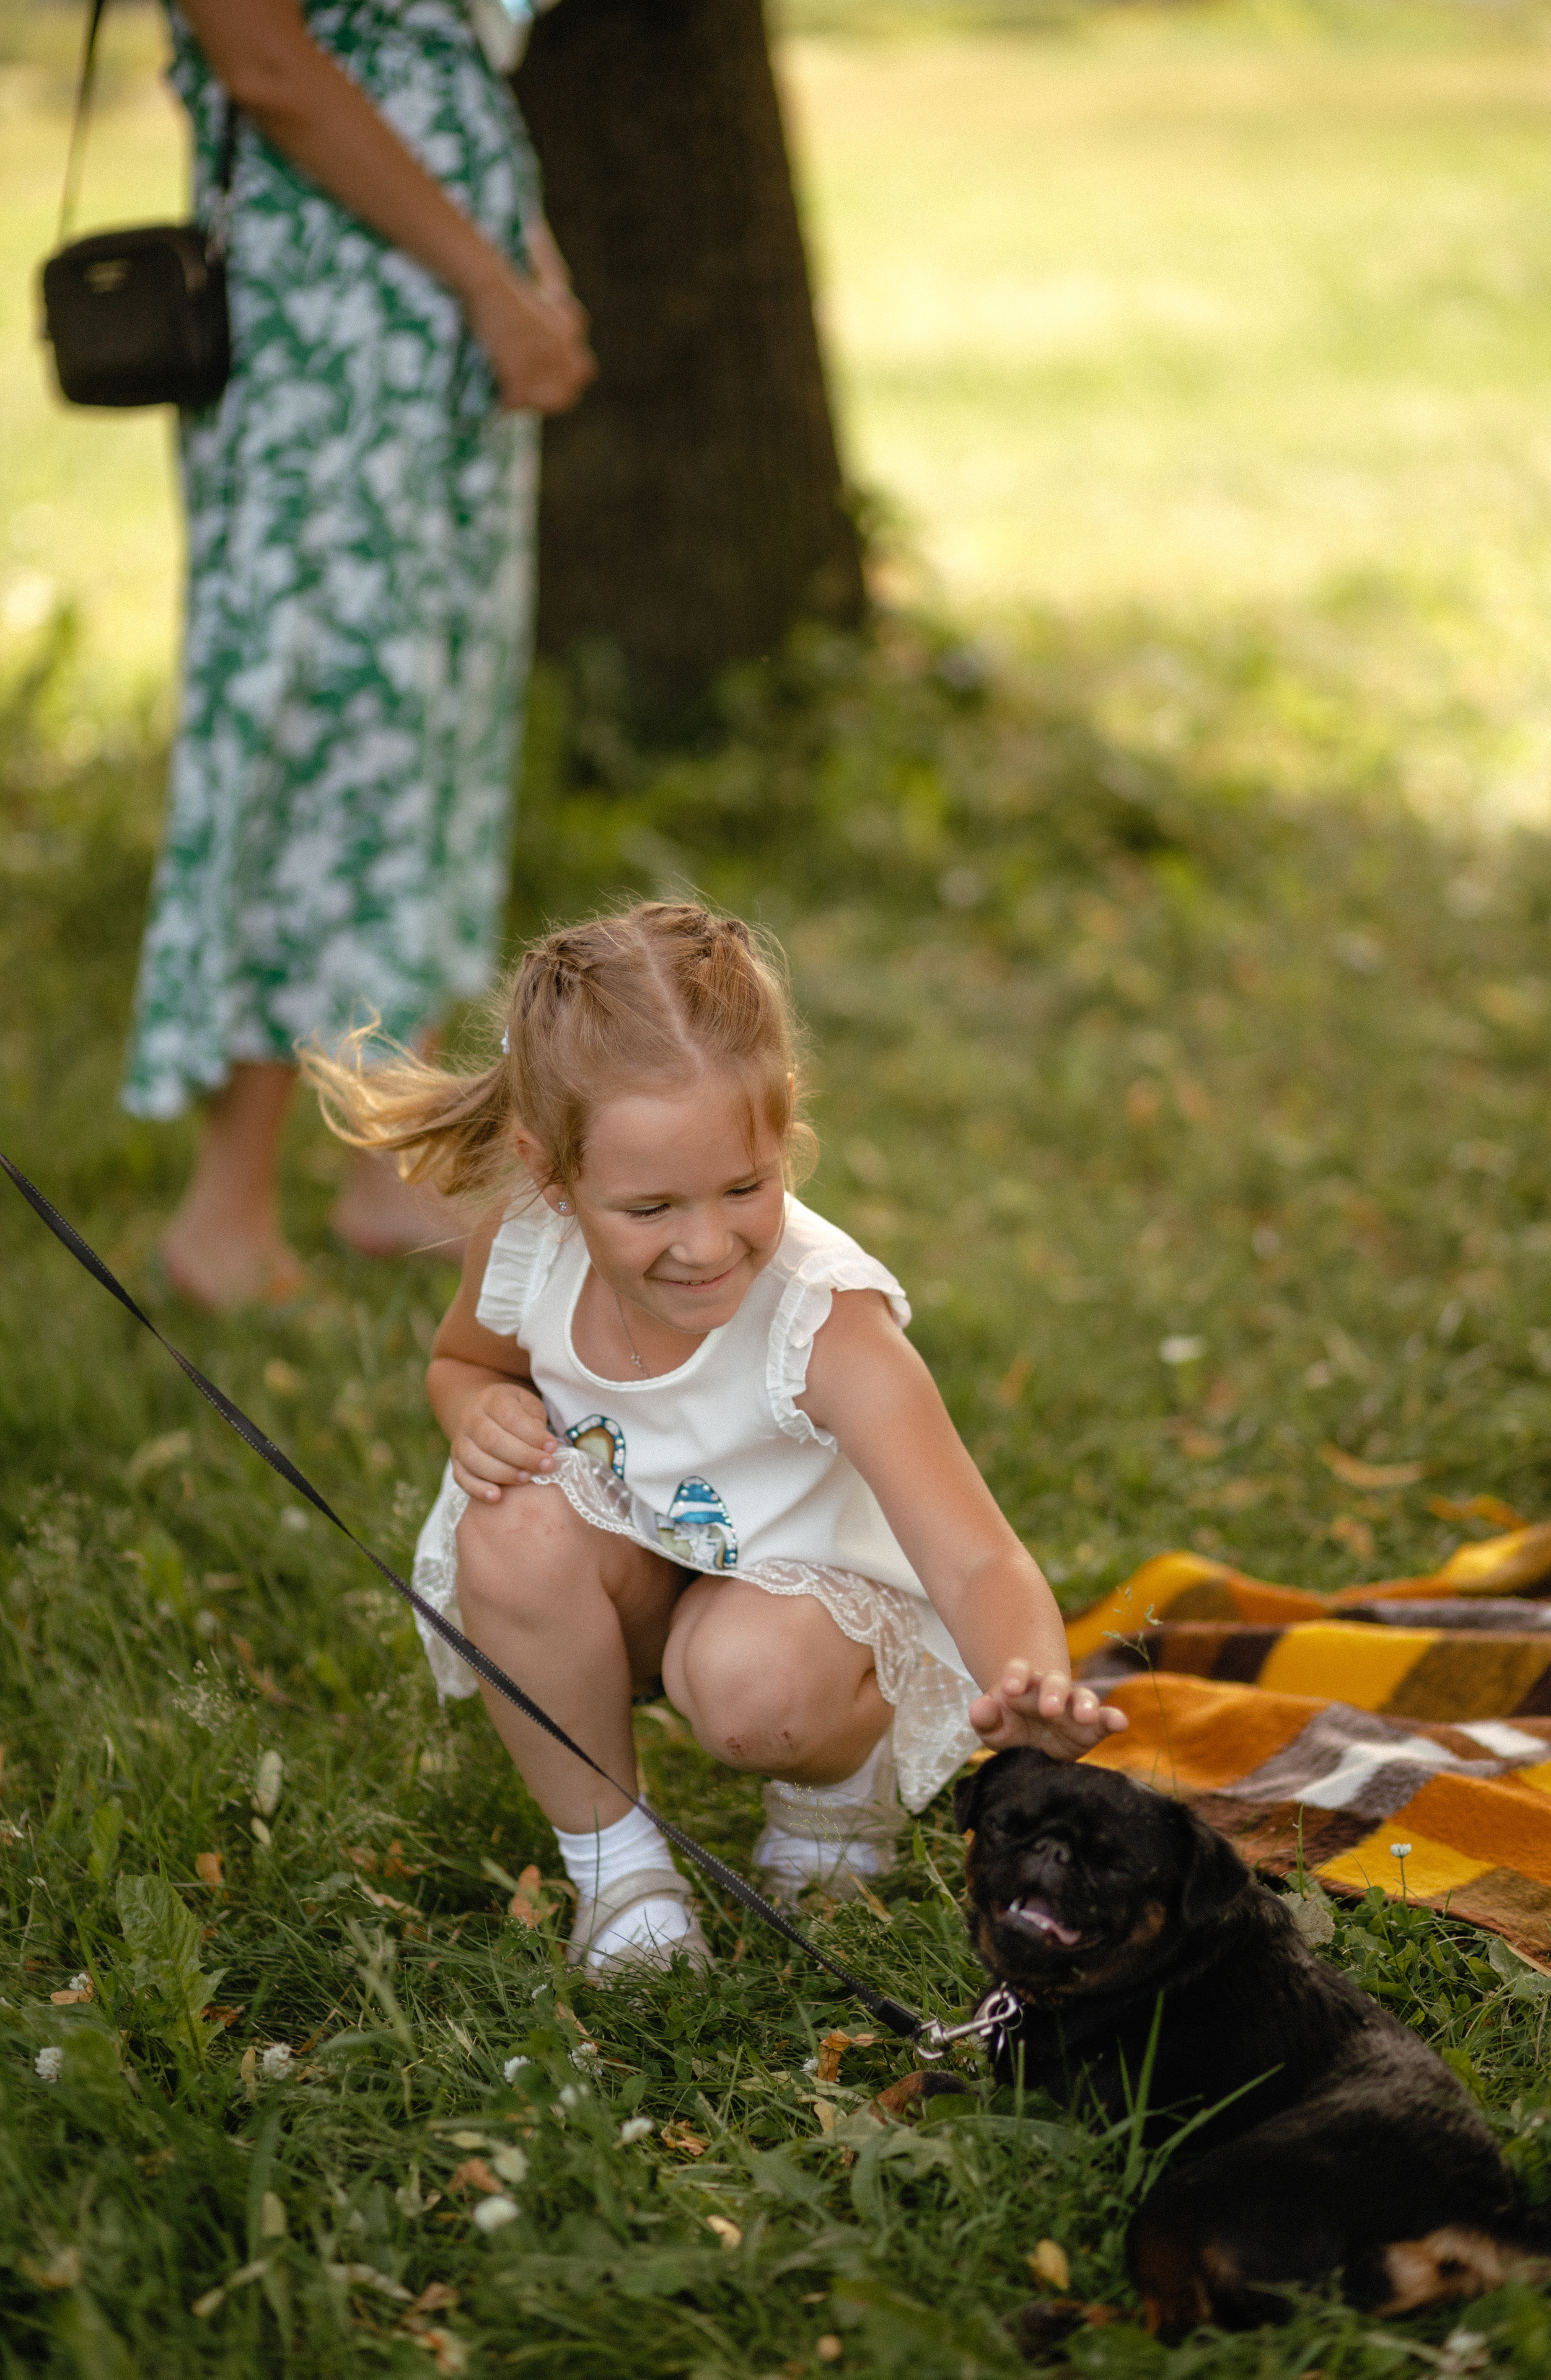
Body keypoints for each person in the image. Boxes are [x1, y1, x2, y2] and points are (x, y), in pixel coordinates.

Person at [305, 901, 1127, 1974]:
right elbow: (463, 1362)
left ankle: (839, 1787)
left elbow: (975, 1554)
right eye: (650, 1209)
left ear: (782, 1137)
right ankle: (618, 1866)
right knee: (508, 1526)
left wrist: (1032, 1689)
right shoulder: (524, 1242)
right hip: (637, 1580)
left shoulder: (825, 1323)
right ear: (553, 1176)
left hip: (806, 1626)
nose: (705, 1244)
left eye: (745, 1188)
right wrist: (473, 1410)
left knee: (748, 1685)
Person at [122, 0, 594, 1309]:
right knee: (306, 737)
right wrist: (490, 281)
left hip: (442, 334)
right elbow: (267, 60)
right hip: (322, 339)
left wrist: (530, 274)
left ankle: (393, 1161)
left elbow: (448, 70)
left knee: (422, 737)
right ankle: (224, 1215)